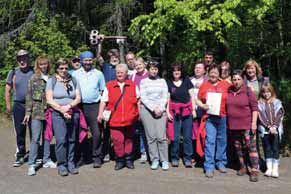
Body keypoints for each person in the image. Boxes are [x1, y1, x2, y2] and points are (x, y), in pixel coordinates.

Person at [98, 64, 139, 170]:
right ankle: (120, 160)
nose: (119, 74)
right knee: (117, 140)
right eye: (117, 72)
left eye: (122, 72)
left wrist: (138, 114)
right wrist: (100, 114)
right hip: (115, 119)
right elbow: (103, 101)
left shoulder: (133, 85)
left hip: (130, 118)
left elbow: (139, 100)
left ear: (126, 73)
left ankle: (129, 159)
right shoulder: (109, 85)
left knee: (129, 140)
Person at [46, 58, 81, 176]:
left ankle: (71, 163)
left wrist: (69, 106)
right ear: (57, 68)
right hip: (57, 113)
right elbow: (49, 100)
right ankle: (62, 164)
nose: (64, 70)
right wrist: (62, 110)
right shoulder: (52, 81)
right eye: (61, 68)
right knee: (61, 140)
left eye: (66, 68)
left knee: (72, 139)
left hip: (73, 112)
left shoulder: (73, 80)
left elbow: (78, 98)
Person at [72, 51, 106, 168]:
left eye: (90, 60)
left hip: (94, 105)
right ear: (81, 61)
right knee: (81, 132)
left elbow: (102, 91)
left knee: (96, 133)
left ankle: (97, 156)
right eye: (85, 60)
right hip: (80, 106)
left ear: (93, 61)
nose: (88, 62)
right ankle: (83, 156)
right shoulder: (75, 74)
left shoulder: (98, 74)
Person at [23, 56, 56, 176]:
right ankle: (31, 164)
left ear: (48, 65)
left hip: (50, 112)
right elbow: (29, 96)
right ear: (38, 65)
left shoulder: (52, 78)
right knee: (35, 139)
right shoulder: (34, 78)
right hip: (36, 113)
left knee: (47, 137)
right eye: (41, 64)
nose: (43, 66)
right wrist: (27, 113)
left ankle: (46, 159)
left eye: (45, 64)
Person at [226, 69, 259, 182]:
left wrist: (254, 123)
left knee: (251, 148)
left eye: (239, 79)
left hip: (247, 125)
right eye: (234, 79)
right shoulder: (229, 90)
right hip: (233, 126)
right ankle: (243, 166)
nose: (236, 82)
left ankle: (254, 170)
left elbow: (255, 108)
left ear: (243, 80)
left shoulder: (248, 91)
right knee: (238, 148)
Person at [197, 65, 230, 178]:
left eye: (216, 72)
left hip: (223, 117)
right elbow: (197, 99)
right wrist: (202, 105)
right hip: (209, 117)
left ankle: (220, 162)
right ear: (208, 73)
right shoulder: (204, 85)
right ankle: (209, 166)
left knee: (222, 141)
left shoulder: (226, 84)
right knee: (210, 141)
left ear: (219, 74)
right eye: (211, 72)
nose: (213, 74)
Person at [5, 49, 34, 167]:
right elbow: (8, 90)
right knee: (20, 131)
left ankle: (35, 154)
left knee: (35, 130)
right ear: (17, 60)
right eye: (20, 59)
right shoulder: (13, 72)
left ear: (28, 58)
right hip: (18, 105)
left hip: (33, 105)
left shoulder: (34, 71)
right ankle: (20, 154)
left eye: (25, 58)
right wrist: (8, 106)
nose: (22, 61)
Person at [139, 61, 169, 170]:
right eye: (152, 69)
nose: (154, 71)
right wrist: (153, 108)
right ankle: (154, 159)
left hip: (161, 110)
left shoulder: (162, 81)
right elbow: (143, 97)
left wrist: (160, 108)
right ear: (148, 70)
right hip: (147, 110)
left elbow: (165, 96)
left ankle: (164, 160)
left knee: (161, 137)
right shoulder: (143, 82)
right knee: (151, 137)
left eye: (156, 69)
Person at [166, 63, 196, 168]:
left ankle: (188, 158)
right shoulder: (169, 82)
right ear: (172, 72)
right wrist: (167, 112)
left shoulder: (187, 80)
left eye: (178, 70)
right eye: (174, 70)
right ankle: (174, 157)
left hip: (187, 111)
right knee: (175, 136)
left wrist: (193, 110)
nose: (176, 72)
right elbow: (168, 98)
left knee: (187, 136)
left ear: (181, 71)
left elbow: (192, 96)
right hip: (174, 112)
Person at [258, 84, 284, 178]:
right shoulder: (259, 103)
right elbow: (260, 116)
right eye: (264, 92)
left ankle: (275, 168)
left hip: (275, 130)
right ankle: (269, 168)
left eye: (268, 91)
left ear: (272, 92)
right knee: (267, 149)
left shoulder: (277, 102)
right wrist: (268, 126)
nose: (266, 94)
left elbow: (279, 115)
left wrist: (274, 127)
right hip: (265, 130)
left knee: (275, 148)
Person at [129, 57, 149, 163]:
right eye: (136, 65)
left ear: (144, 64)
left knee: (146, 131)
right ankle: (138, 151)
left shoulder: (150, 74)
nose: (138, 66)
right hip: (135, 106)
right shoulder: (132, 76)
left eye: (139, 64)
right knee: (136, 130)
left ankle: (146, 152)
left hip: (148, 106)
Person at [190, 61, 207, 162]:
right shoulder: (189, 80)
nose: (197, 69)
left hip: (204, 111)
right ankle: (194, 155)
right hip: (192, 111)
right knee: (193, 134)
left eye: (200, 68)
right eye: (196, 67)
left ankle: (203, 155)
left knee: (203, 134)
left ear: (204, 70)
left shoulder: (207, 81)